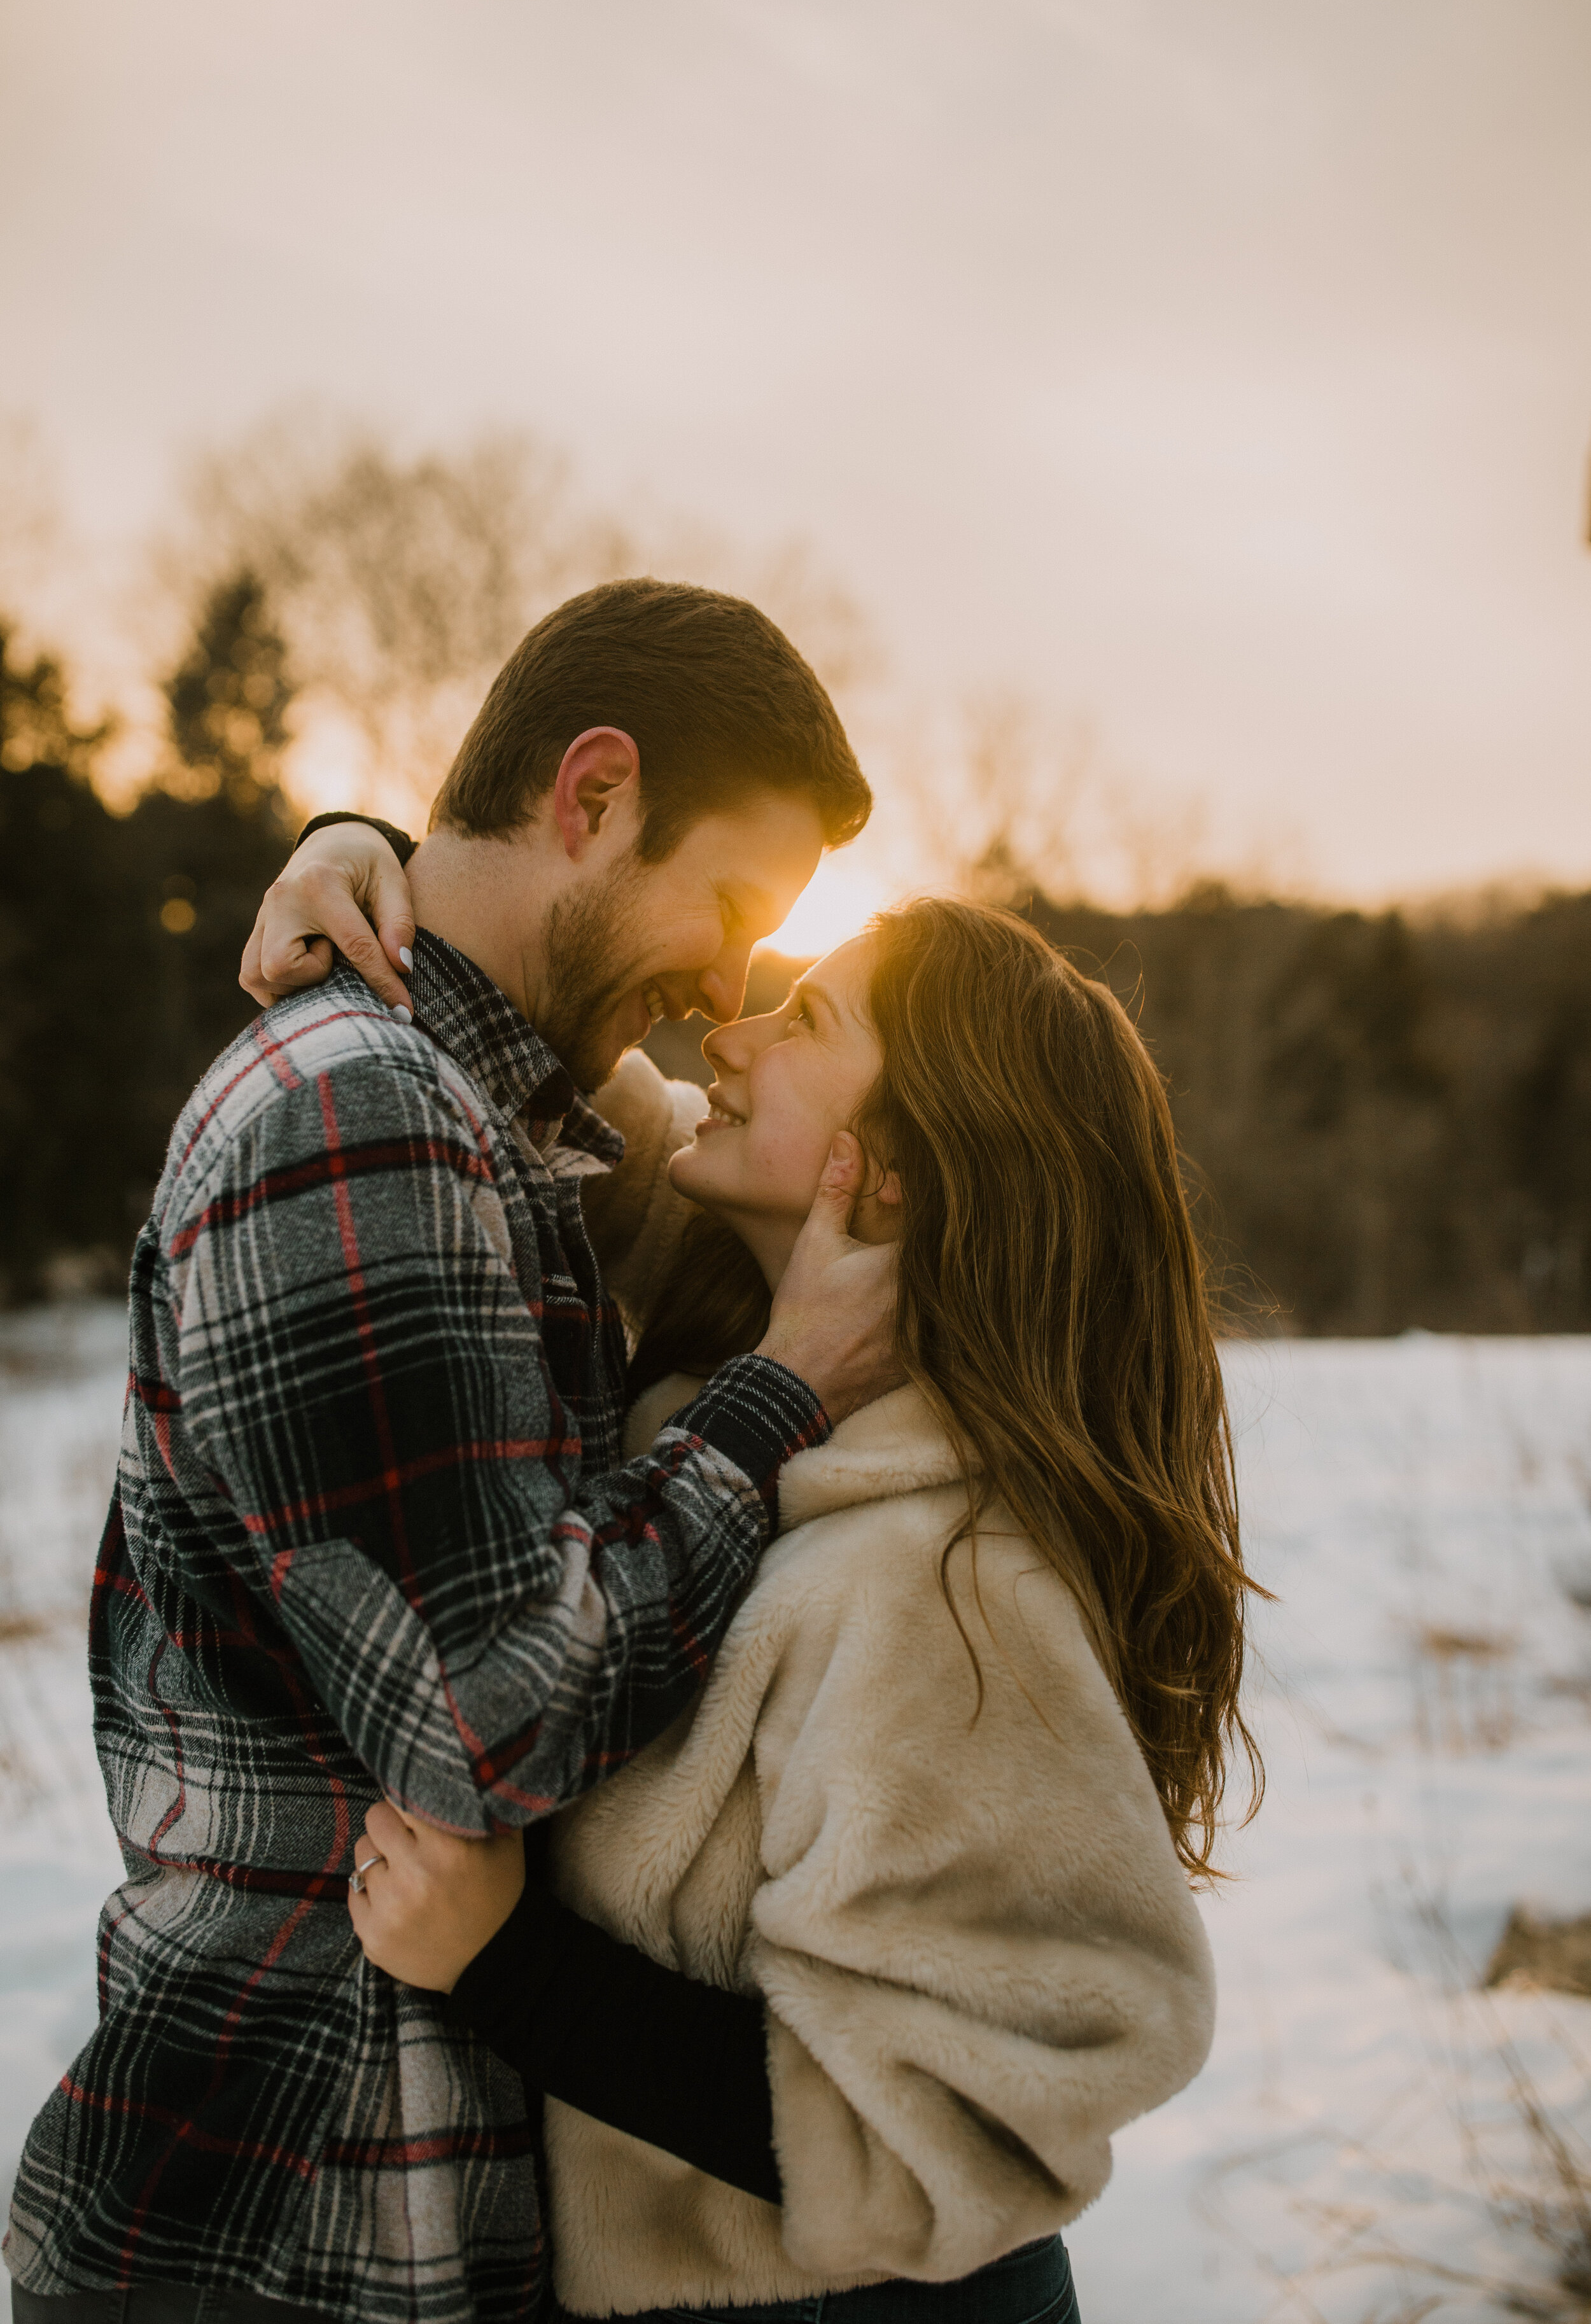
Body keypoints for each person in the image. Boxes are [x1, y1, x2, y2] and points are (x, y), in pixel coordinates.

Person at [5, 580, 902, 2324]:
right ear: (592, 791)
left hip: (389, 2208)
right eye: (728, 901)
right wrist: (782, 1386)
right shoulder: (361, 1110)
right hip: (279, 2224)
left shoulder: (499, 1119)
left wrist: (349, 840)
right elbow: (483, 1720)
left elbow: (746, 1173)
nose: (730, 983)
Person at [293, 874, 1263, 2321]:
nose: (726, 1039)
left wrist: (508, 1967)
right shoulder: (733, 1420)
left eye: (800, 1017)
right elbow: (530, 1053)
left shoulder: (941, 1577)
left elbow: (965, 2120)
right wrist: (363, 868)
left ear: (889, 1171)